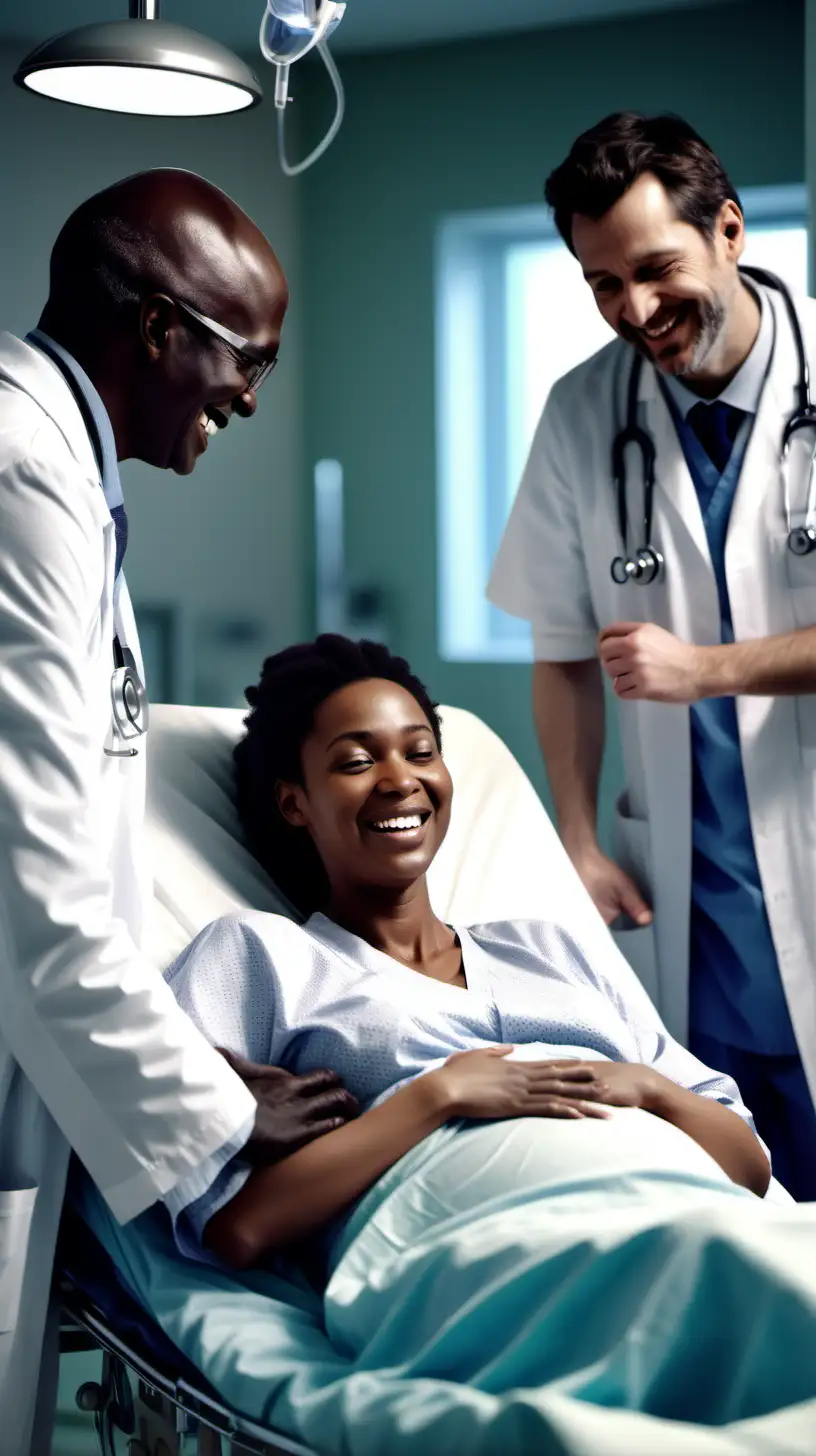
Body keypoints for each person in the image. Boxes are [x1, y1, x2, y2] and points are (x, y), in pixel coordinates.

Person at [73, 634, 816, 1455]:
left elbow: (748, 1167)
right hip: (492, 1254)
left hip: (685, 1201)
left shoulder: (551, 949)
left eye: (420, 751)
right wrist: (437, 1097)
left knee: (762, 1266)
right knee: (721, 1279)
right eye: (356, 761)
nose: (400, 779)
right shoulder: (258, 959)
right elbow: (237, 1228)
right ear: (294, 802)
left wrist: (647, 1089)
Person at [0, 172, 357, 1455]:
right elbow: (38, 885)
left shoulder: (63, 476)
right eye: (244, 357)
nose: (252, 396)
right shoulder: (20, 475)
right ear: (158, 329)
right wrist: (217, 1115)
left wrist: (187, 1060)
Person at [487, 111, 816, 1201]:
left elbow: (678, 665)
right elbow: (560, 643)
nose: (634, 309)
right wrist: (576, 837)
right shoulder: (585, 411)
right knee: (737, 1229)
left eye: (656, 267)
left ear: (728, 229)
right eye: (601, 284)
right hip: (702, 918)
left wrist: (710, 670)